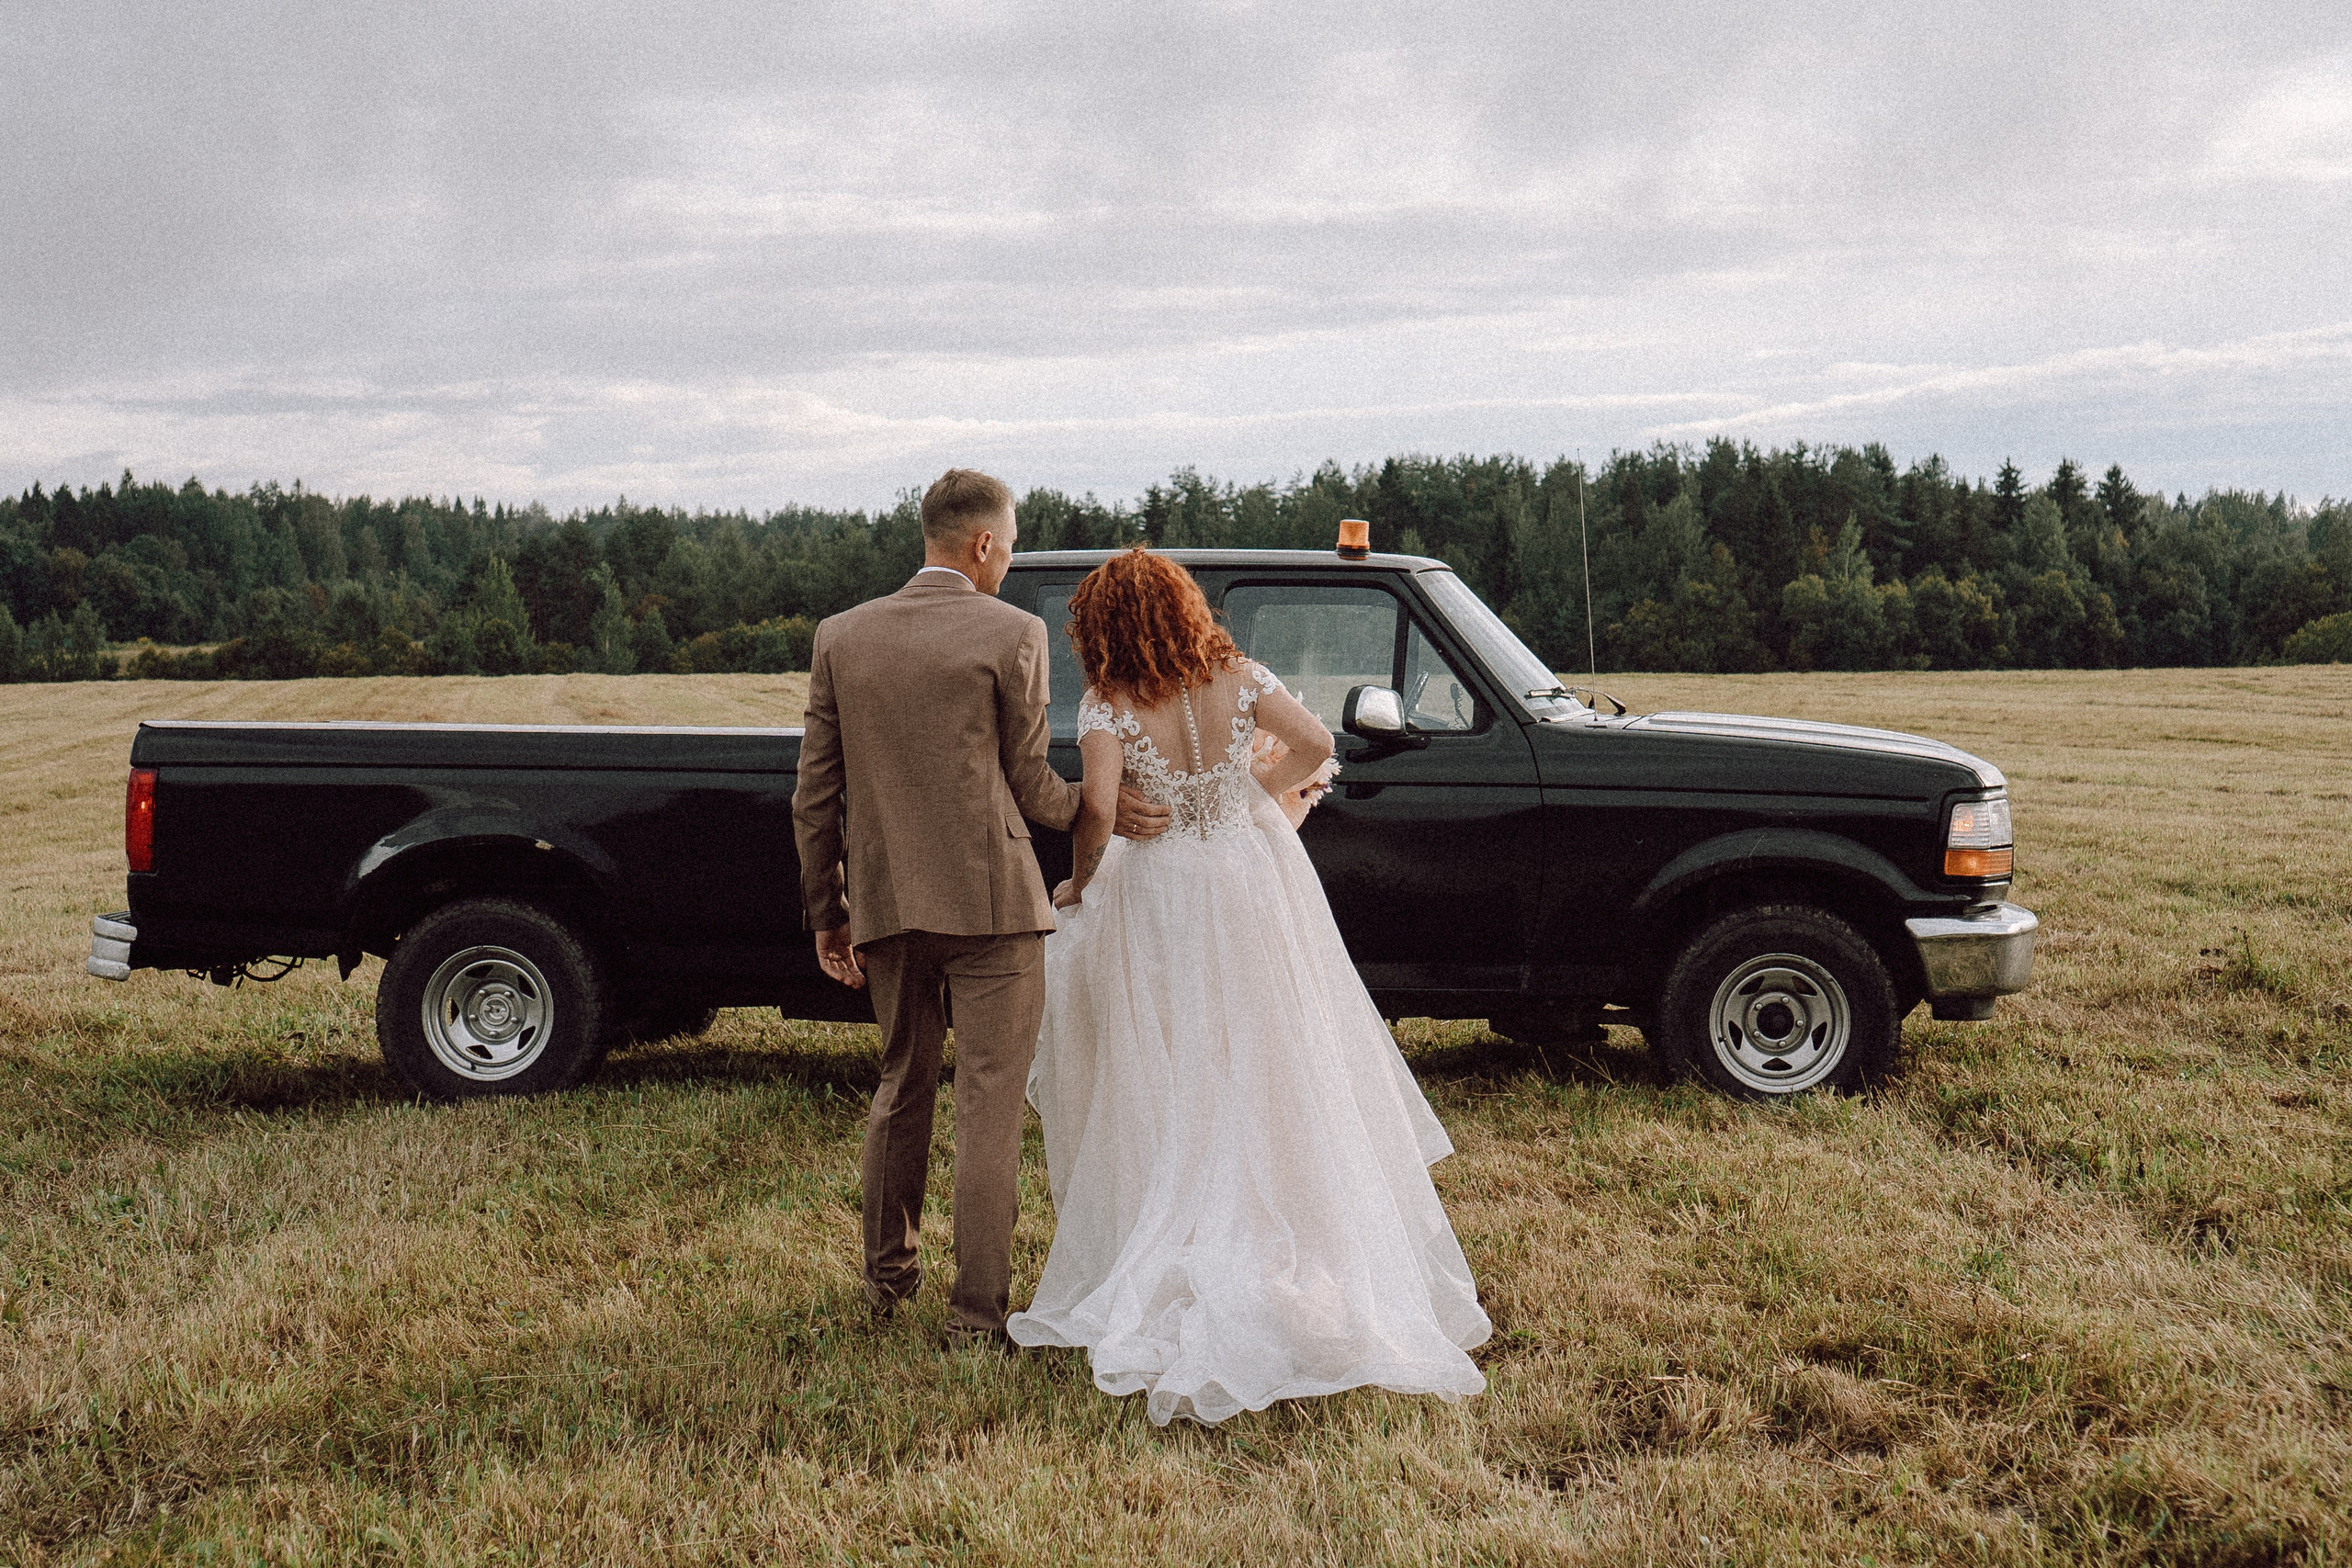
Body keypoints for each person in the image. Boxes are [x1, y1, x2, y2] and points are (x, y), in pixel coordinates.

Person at [1006, 546, 1489, 1425]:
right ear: (1187, 609)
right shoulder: (1239, 673)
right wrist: (1243, 795)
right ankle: (1293, 1233)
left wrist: (1080, 881)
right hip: (1246, 873)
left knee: (1170, 1049)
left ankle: (1177, 1217)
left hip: (1160, 890)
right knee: (1271, 1043)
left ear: (1100, 626)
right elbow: (1314, 742)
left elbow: (1103, 811)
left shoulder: (1112, 701)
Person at [791, 469, 1170, 1348]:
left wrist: (828, 908)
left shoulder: (841, 636)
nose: (1009, 563)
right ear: (983, 545)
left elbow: (815, 794)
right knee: (990, 1104)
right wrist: (1100, 806)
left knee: (900, 1085)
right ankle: (974, 1317)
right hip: (996, 905)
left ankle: (887, 1281)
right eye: (1011, 546)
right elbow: (1034, 788)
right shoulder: (1014, 632)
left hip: (886, 903)